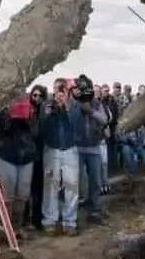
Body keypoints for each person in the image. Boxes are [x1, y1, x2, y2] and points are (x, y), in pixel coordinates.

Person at [40, 79, 80, 236]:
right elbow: (41, 128)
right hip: (51, 150)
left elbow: (76, 123)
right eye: (57, 89)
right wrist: (49, 114)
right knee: (50, 186)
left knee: (71, 186)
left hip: (70, 150)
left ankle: (69, 222)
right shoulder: (47, 105)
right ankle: (50, 220)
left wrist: (67, 106)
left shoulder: (73, 105)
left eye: (62, 89)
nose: (59, 92)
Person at [0, 95, 37, 235]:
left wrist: (29, 115)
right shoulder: (2, 106)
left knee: (23, 194)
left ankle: (17, 228)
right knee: (8, 194)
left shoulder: (30, 105)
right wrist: (8, 113)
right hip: (7, 154)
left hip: (26, 156)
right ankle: (6, 229)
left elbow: (36, 131)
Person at [73, 74, 108, 224]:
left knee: (96, 180)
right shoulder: (73, 103)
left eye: (85, 86)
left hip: (93, 146)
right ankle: (76, 207)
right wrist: (77, 106)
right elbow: (70, 120)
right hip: (77, 147)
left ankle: (94, 209)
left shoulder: (96, 103)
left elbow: (104, 119)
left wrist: (91, 111)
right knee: (78, 180)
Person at [28, 84, 48, 230]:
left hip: (41, 154)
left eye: (40, 96)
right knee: (26, 188)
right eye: (34, 95)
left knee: (38, 188)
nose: (37, 98)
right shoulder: (27, 110)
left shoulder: (44, 111)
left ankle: (37, 218)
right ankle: (25, 218)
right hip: (29, 153)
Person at [93, 85, 112, 195]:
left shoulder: (104, 106)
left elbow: (109, 119)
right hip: (93, 141)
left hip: (102, 140)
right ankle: (98, 186)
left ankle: (105, 184)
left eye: (99, 91)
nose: (97, 93)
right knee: (96, 165)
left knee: (104, 163)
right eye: (95, 91)